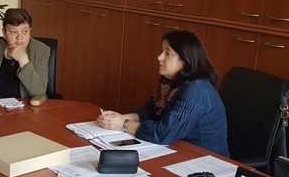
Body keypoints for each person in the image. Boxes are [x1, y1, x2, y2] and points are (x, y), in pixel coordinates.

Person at [98, 30, 229, 156]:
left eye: (168, 53)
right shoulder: (170, 81)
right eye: (162, 51)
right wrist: (120, 117)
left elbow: (163, 133)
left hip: (206, 160)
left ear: (184, 62)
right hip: (177, 150)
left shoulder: (197, 90)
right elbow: (152, 111)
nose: (159, 57)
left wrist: (123, 124)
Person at [0, 8, 50, 103]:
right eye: (14, 32)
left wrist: (23, 61)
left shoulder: (41, 51)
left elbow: (39, 92)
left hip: (25, 108)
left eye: (25, 31)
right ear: (4, 33)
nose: (20, 37)